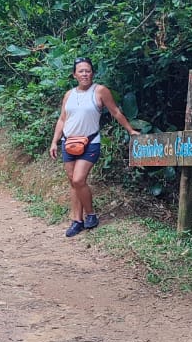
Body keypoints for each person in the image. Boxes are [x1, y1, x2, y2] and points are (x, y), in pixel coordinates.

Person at [50, 57, 141, 237]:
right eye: (81, 71)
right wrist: (54, 141)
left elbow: (115, 111)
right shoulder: (69, 95)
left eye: (88, 70)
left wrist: (130, 130)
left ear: (92, 72)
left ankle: (91, 214)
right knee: (73, 182)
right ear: (74, 74)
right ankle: (77, 220)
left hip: (90, 142)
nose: (85, 74)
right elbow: (62, 119)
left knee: (78, 180)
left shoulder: (99, 91)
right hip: (68, 142)